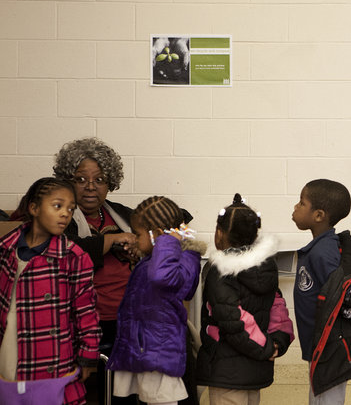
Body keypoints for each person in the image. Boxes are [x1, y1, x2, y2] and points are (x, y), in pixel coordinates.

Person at [51, 137, 195, 404]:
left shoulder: (121, 214)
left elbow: (173, 222)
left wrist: (141, 246)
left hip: (132, 318)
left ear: (111, 183)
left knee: (175, 333)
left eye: (100, 180)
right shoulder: (60, 217)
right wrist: (109, 241)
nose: (91, 187)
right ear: (68, 180)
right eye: (81, 180)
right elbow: (62, 252)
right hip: (89, 321)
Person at [0, 177, 100, 405]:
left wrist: (88, 356)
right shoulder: (5, 250)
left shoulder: (73, 257)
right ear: (34, 208)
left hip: (53, 360)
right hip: (9, 358)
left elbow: (87, 312)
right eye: (57, 206)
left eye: (70, 209)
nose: (66, 213)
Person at [107, 196, 206, 405]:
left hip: (160, 352)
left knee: (161, 400)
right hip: (141, 347)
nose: (134, 238)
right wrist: (147, 251)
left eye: (138, 234)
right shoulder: (154, 258)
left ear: (157, 235)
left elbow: (164, 278)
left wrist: (167, 240)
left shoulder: (186, 256)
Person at [196, 194, 294, 404]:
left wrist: (266, 348)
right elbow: (277, 307)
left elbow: (234, 320)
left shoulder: (220, 268)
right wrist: (277, 343)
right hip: (255, 371)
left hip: (227, 373)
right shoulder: (267, 266)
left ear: (220, 233)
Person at [292, 179, 351, 405]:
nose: (296, 207)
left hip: (329, 350)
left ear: (318, 215)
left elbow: (341, 299)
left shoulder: (324, 254)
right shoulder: (318, 249)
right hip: (319, 349)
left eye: (301, 203)